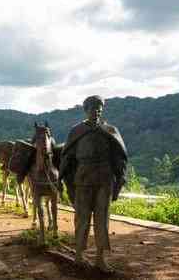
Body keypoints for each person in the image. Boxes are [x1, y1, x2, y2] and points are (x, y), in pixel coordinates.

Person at [59, 95, 128, 273]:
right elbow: (67, 156)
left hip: (104, 179)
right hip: (83, 178)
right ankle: (79, 256)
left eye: (99, 108)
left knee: (102, 219)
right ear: (86, 110)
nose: (96, 111)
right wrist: (62, 177)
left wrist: (120, 176)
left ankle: (100, 258)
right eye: (92, 108)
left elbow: (118, 156)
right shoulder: (76, 131)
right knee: (81, 218)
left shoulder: (110, 130)